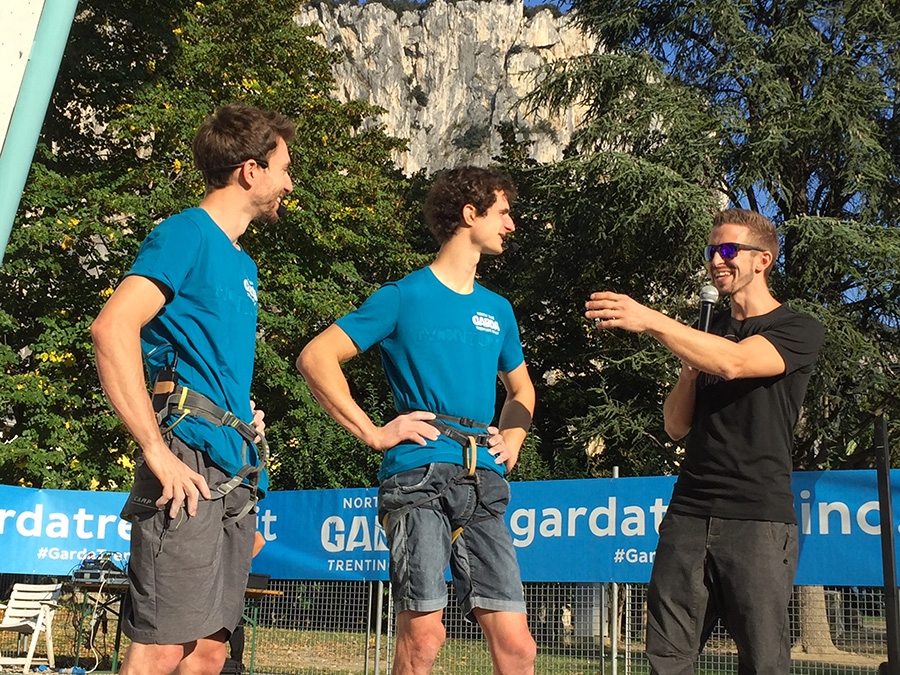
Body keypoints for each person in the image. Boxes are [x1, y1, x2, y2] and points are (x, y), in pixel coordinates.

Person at [297, 166, 537, 675]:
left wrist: (513, 434)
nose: (511, 225)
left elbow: (522, 390)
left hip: (483, 480)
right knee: (424, 638)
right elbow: (316, 358)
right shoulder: (403, 296)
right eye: (504, 213)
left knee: (518, 647)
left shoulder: (500, 309)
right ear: (470, 215)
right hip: (418, 478)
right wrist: (373, 432)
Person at [91, 102, 295, 675]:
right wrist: (156, 450)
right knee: (163, 645)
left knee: (208, 649)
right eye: (283, 168)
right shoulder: (186, 233)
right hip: (186, 459)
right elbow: (112, 328)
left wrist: (240, 415)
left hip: (234, 463)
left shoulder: (243, 263)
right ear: (250, 170)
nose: (288, 183)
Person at [586, 208, 824, 674]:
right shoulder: (705, 337)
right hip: (688, 515)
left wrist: (652, 320)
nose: (718, 259)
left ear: (764, 260)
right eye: (712, 250)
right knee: (669, 656)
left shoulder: (797, 329)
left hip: (756, 518)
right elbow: (676, 425)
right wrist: (691, 361)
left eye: (730, 249)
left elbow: (736, 363)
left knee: (763, 661)